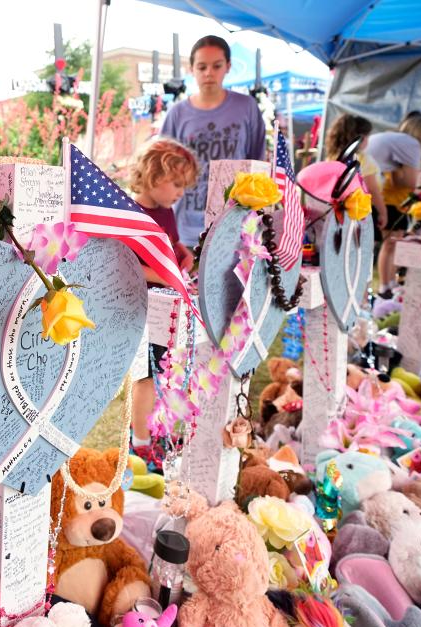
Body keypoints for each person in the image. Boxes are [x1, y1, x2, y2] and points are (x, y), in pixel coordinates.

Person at [127, 137, 198, 466]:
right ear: (155, 176)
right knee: (145, 377)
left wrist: (180, 251)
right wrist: (163, 274)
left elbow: (170, 242)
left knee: (168, 371)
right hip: (138, 306)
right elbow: (125, 265)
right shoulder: (130, 213)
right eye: (177, 184)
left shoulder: (166, 210)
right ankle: (140, 441)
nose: (181, 192)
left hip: (166, 305)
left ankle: (159, 433)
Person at [161, 35, 266, 245]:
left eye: (216, 66)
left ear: (228, 66)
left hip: (235, 225)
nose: (209, 73)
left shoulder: (247, 108)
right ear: (191, 69)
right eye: (202, 67)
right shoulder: (177, 114)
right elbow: (161, 168)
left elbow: (258, 162)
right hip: (187, 229)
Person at [367, 111, 421, 294]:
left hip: (392, 201)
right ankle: (384, 285)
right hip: (388, 201)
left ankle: (390, 282)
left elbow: (405, 180)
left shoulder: (398, 143)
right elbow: (410, 183)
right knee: (390, 243)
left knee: (395, 243)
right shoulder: (410, 144)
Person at [325, 114, 387, 229]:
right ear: (362, 138)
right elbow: (372, 189)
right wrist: (383, 212)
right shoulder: (363, 159)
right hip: (361, 211)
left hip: (337, 211)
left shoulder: (333, 157)